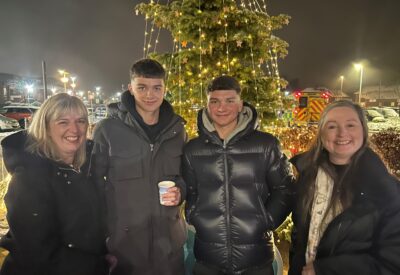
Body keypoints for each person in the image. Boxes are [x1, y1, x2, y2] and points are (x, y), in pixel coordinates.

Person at [182, 75, 294, 275]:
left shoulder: (266, 145)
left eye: (229, 101)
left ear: (241, 104)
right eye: (214, 101)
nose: (221, 108)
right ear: (207, 105)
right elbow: (190, 190)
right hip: (208, 258)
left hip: (256, 258)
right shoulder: (193, 149)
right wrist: (194, 216)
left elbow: (284, 189)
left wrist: (266, 221)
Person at [92, 58, 187, 275]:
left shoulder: (177, 130)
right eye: (142, 87)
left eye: (157, 88)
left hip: (169, 248)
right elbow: (95, 184)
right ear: (130, 88)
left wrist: (180, 191)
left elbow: (184, 177)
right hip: (125, 248)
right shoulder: (107, 129)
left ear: (165, 89)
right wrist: (105, 235)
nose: (150, 95)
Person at [0, 93, 107, 275]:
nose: (74, 129)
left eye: (80, 121)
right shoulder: (29, 177)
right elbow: (38, 252)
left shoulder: (88, 167)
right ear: (46, 127)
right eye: (63, 122)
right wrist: (100, 266)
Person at [289, 100, 400, 275]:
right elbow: (299, 237)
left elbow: (392, 263)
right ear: (321, 133)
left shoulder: (386, 190)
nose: (342, 133)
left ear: (363, 130)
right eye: (332, 126)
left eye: (351, 125)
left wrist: (325, 269)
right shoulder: (306, 177)